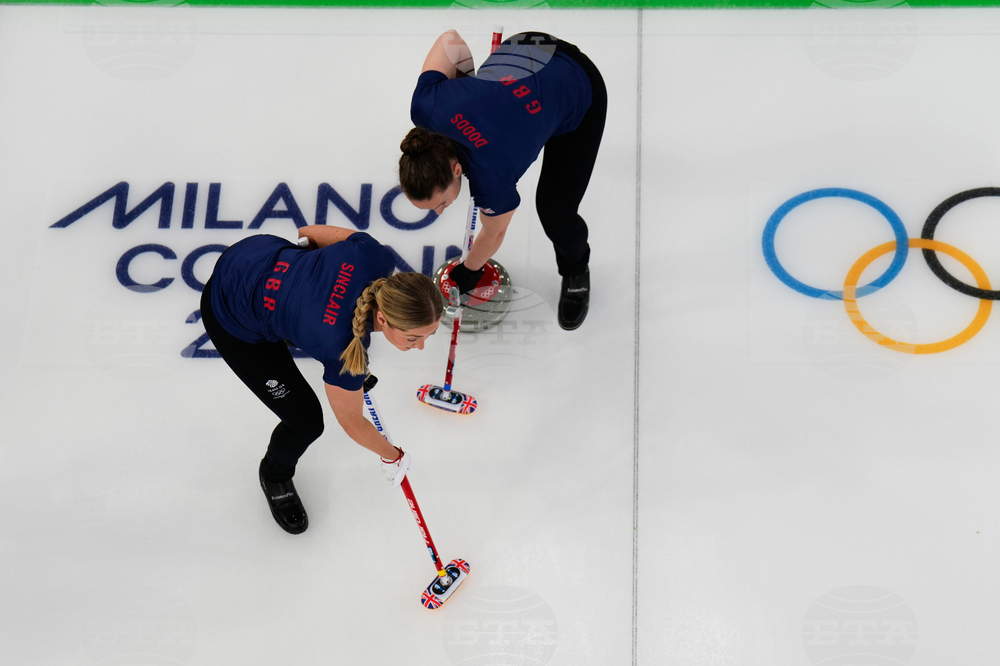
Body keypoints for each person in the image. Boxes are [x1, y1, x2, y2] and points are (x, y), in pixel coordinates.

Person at [200, 226, 443, 534]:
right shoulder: (341, 349)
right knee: (305, 422)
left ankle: (295, 313)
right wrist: (392, 456)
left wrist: (315, 291)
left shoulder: (374, 255)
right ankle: (274, 475)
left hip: (251, 251)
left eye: (428, 335)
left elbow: (308, 233)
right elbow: (352, 423)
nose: (420, 347)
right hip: (230, 309)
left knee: (311, 324)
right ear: (382, 318)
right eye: (413, 338)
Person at [400, 29, 607, 330]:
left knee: (555, 214)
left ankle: (576, 271)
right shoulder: (428, 105)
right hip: (530, 45)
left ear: (456, 170)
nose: (440, 211)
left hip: (576, 83)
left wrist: (469, 270)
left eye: (440, 203)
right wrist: (469, 89)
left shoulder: (491, 179)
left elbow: (494, 233)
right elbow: (451, 41)